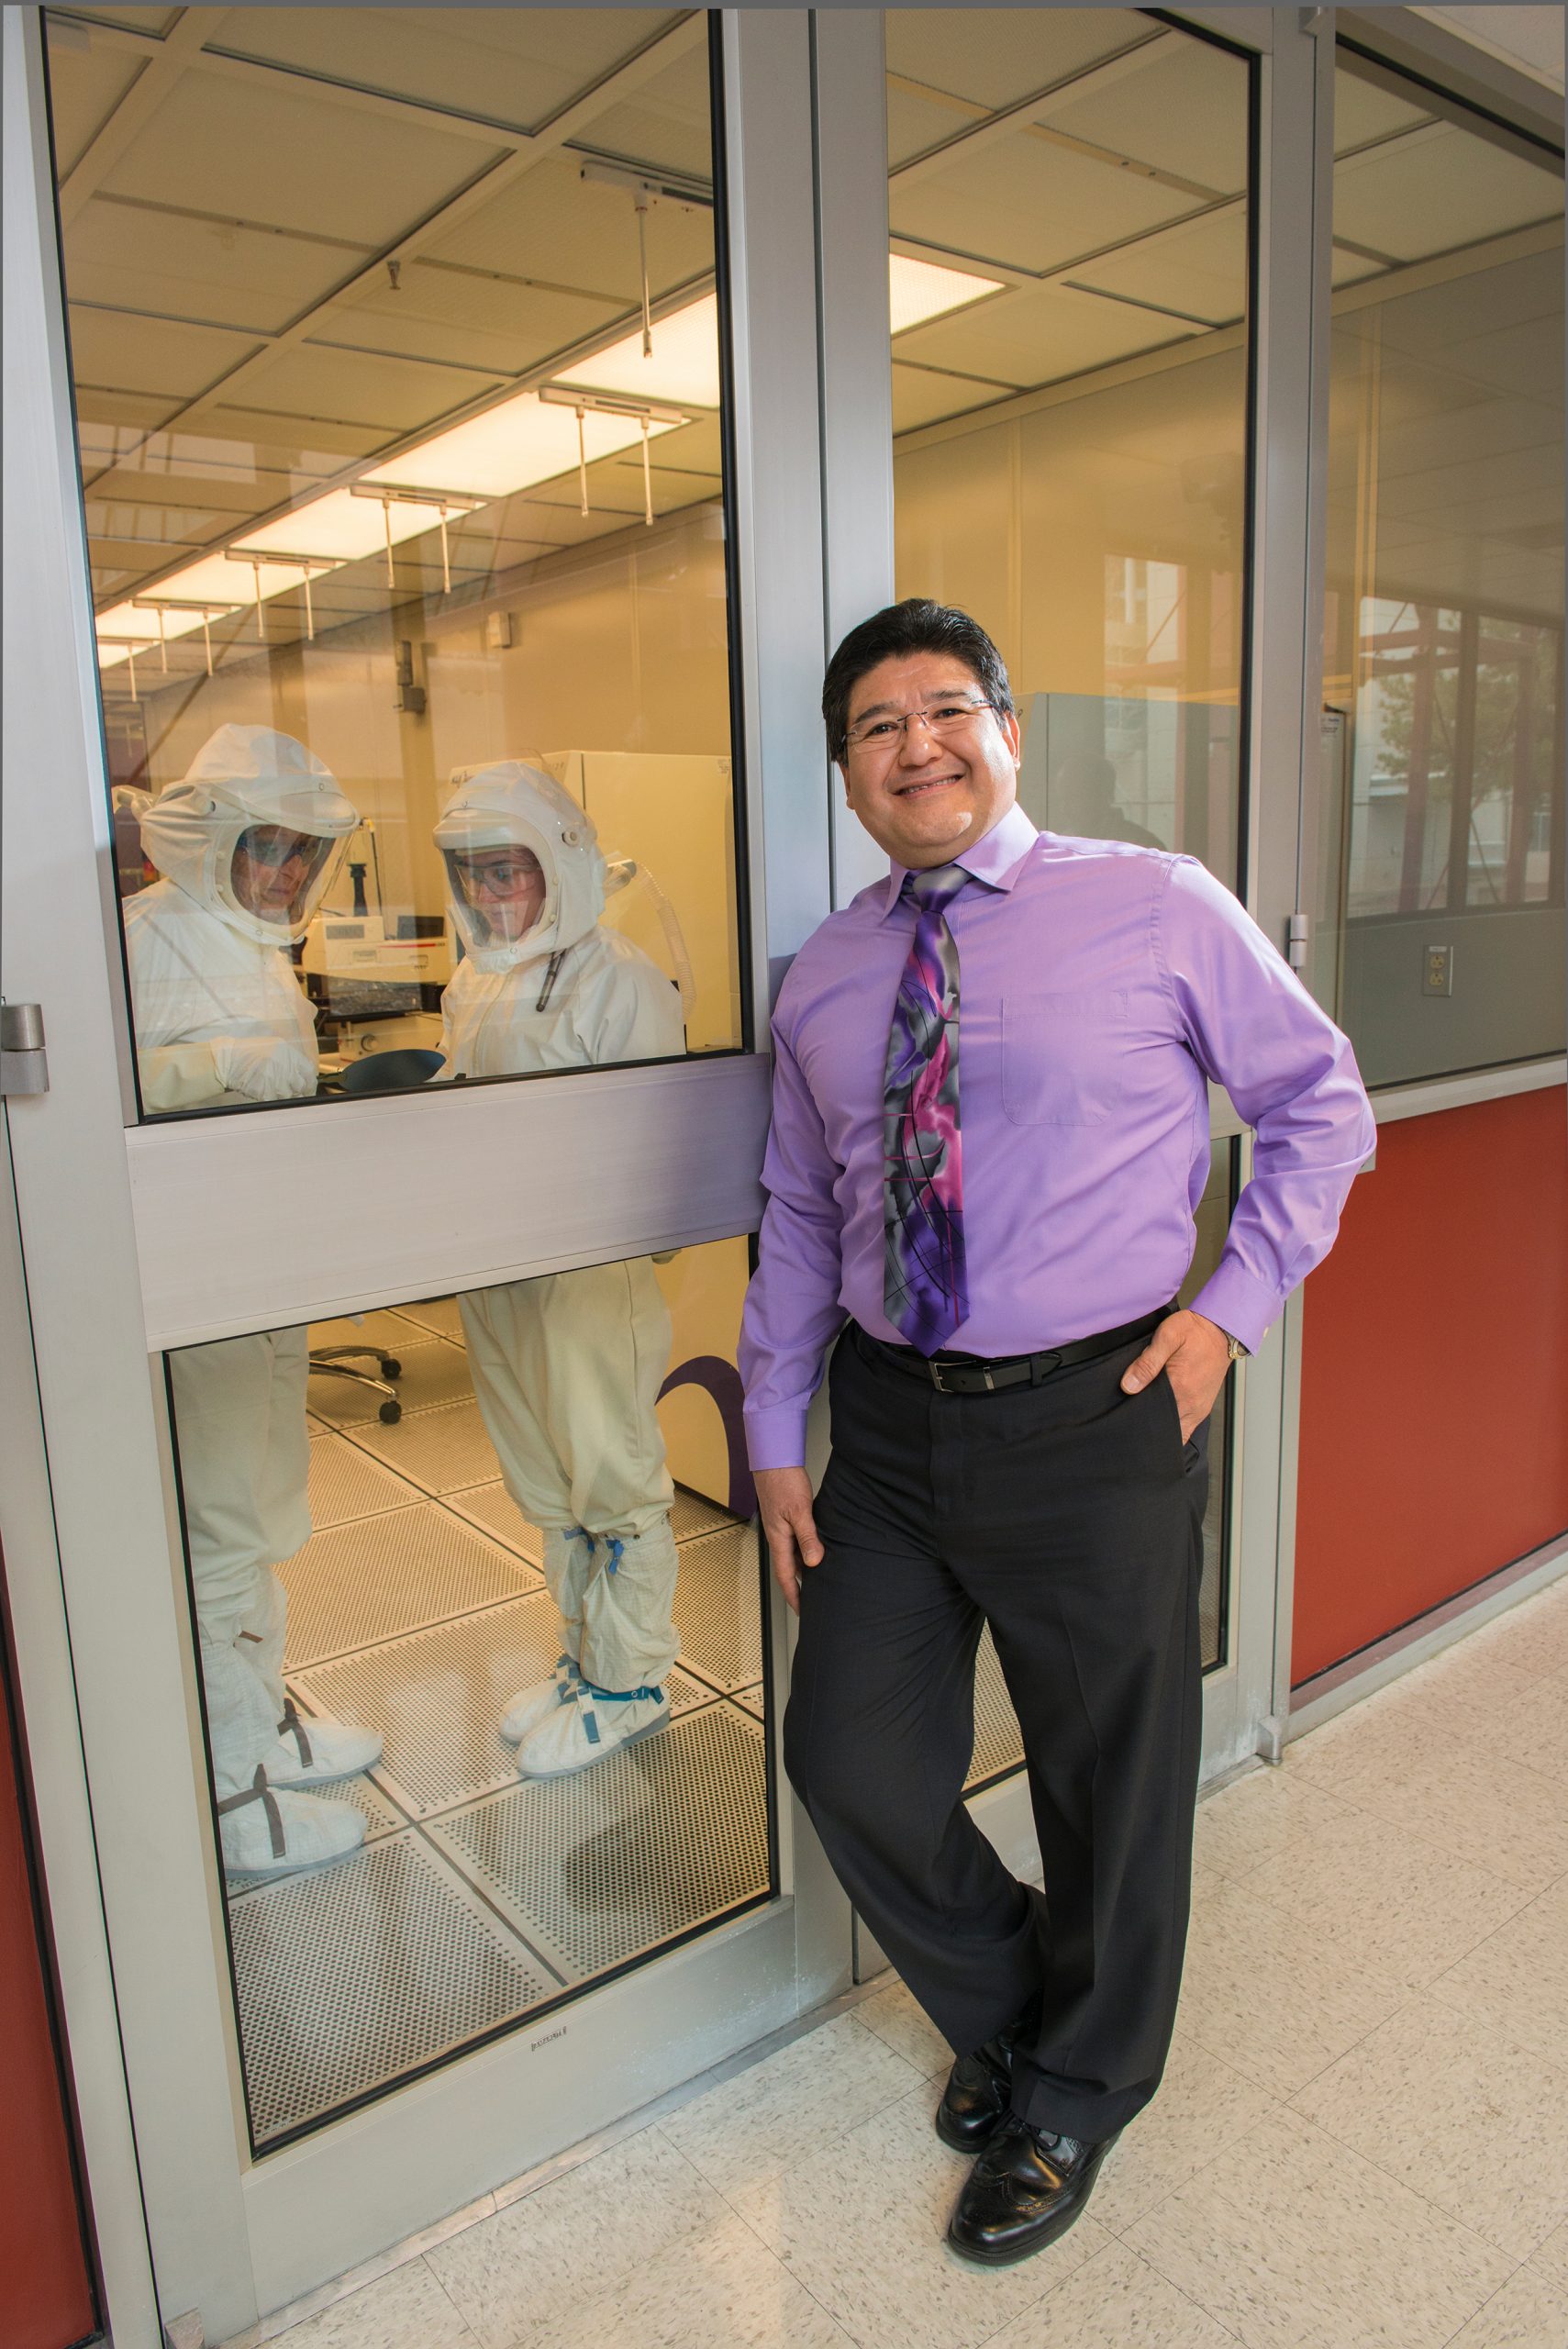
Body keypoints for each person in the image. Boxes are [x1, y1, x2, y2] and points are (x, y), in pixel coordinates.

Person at [740, 600, 1374, 2267]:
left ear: (1007, 729)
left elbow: (1321, 1105)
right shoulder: (824, 969)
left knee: (1108, 1781)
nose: (915, 744)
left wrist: (1223, 1311)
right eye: (875, 725)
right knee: (850, 1758)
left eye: (945, 707)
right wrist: (774, 1426)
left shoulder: (1152, 905)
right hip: (881, 1426)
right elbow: (802, 1214)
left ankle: (1078, 2084)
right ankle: (1019, 1994)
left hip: (1094, 1409)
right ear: (845, 773)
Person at [128, 724, 384, 1878]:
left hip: (265, 1269)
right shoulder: (138, 941)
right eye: (267, 847)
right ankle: (234, 1795)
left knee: (261, 1514)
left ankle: (263, 1722)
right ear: (209, 840)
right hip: (200, 1280)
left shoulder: (254, 942)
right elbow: (89, 1105)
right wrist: (220, 1067)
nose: (286, 874)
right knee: (223, 1534)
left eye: (302, 852)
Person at [436, 761, 687, 1776]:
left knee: (610, 1474)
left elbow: (656, 1152)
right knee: (546, 1477)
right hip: (496, 1266)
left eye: (512, 872)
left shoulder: (617, 978)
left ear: (562, 867)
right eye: (477, 875)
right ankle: (584, 1659)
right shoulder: (475, 975)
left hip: (587, 1274)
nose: (495, 897)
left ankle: (632, 1679)